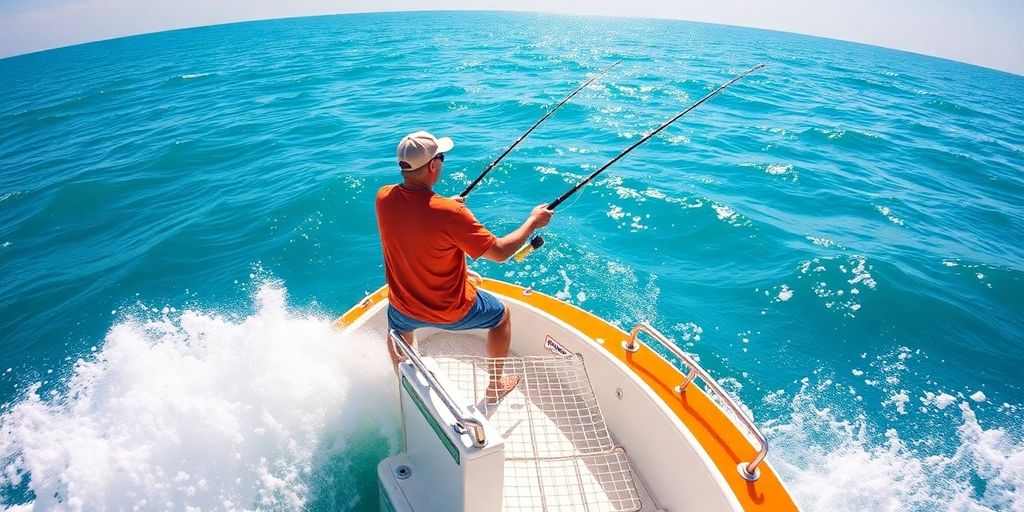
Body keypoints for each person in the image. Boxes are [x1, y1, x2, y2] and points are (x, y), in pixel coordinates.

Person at [376, 130, 553, 402]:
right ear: (432, 166)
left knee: (396, 327)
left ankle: (402, 376)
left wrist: (445, 205)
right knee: (502, 317)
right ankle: (495, 385)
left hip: (404, 308)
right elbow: (500, 252)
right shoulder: (451, 213)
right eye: (441, 158)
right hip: (451, 311)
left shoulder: (384, 197)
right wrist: (533, 222)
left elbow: (418, 217)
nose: (442, 163)